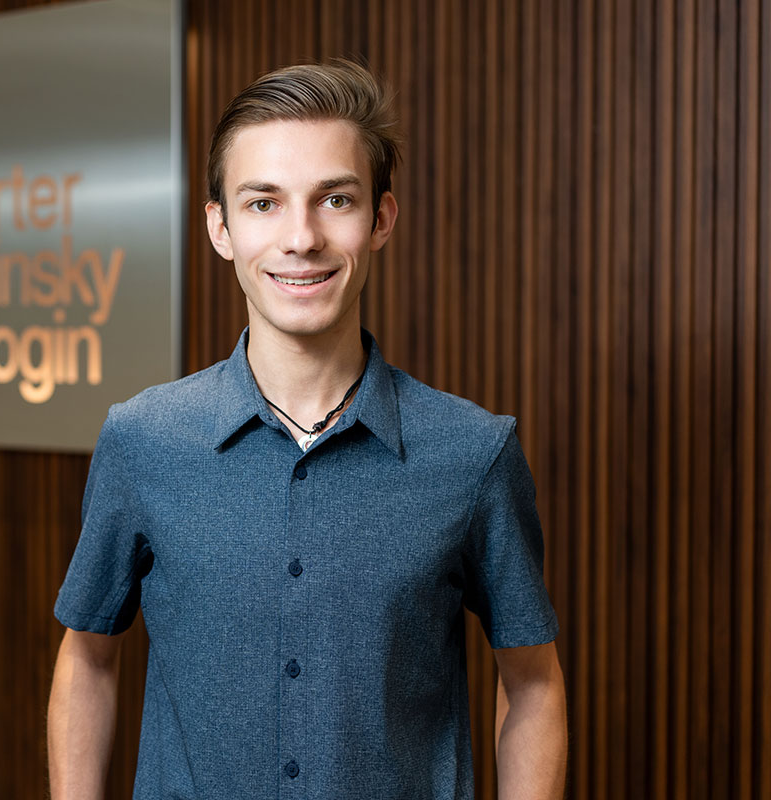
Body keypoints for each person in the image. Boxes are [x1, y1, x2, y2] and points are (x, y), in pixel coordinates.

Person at [47, 61, 567, 799]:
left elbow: (533, 685)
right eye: (263, 203)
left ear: (381, 218)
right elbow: (88, 660)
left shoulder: (473, 453)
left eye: (335, 200)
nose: (301, 238)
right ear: (219, 227)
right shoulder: (143, 441)